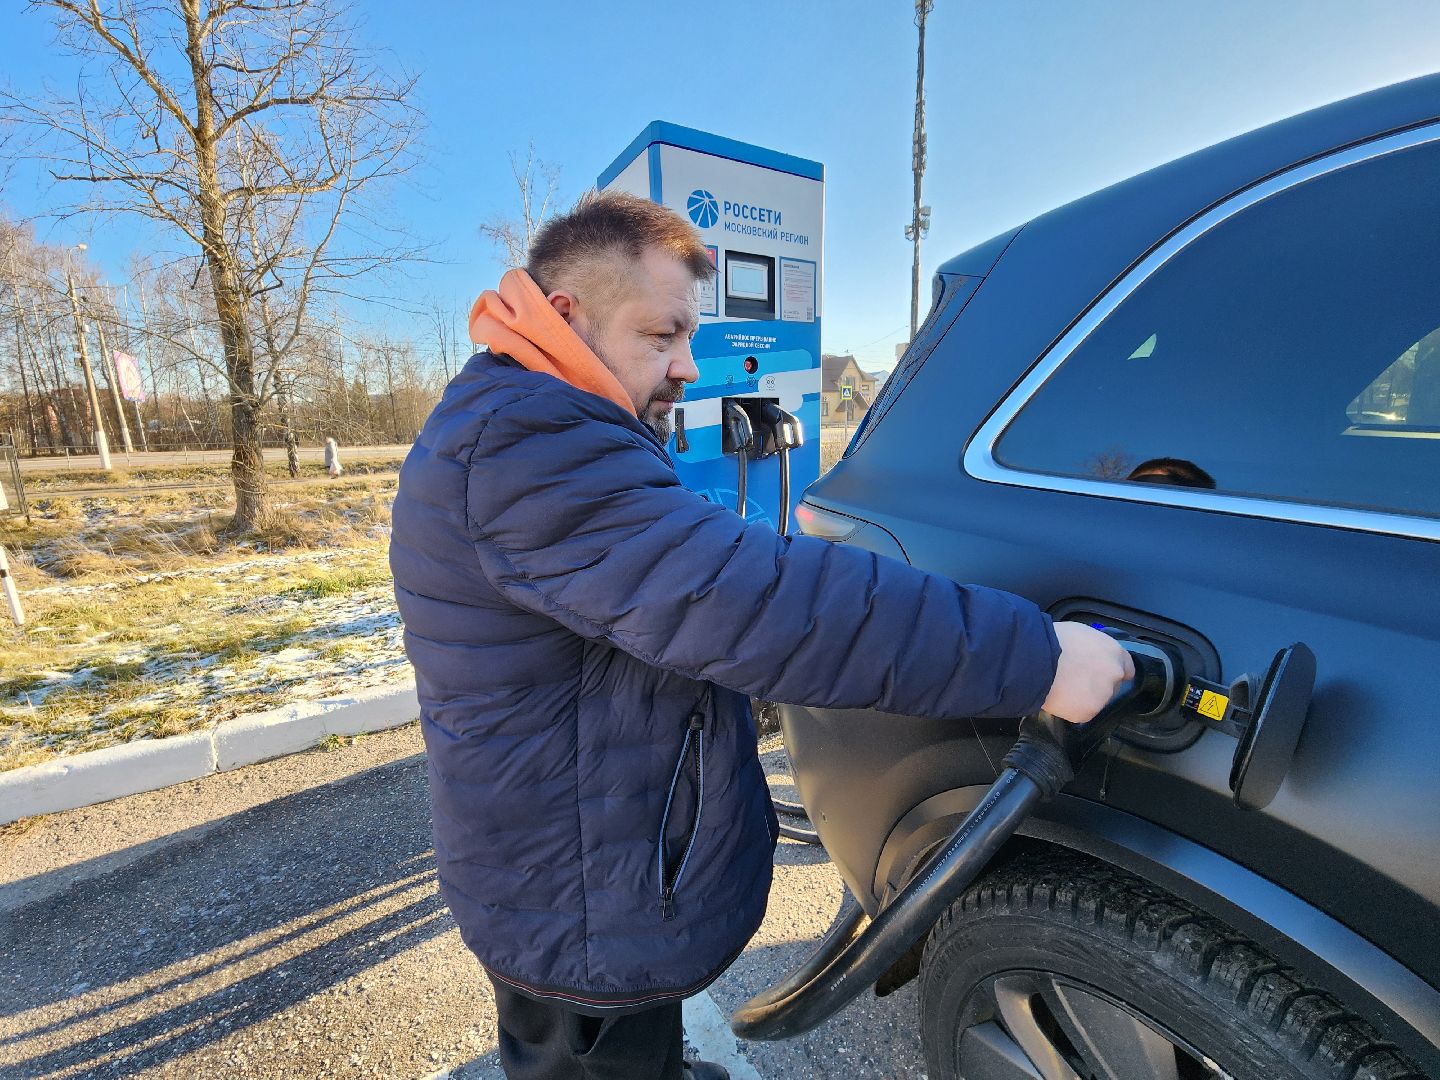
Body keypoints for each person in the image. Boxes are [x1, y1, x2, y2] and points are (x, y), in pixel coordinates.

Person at [389, 191, 1132, 1080]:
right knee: (588, 1052)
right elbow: (752, 602)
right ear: (564, 315)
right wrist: (1039, 658)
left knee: (607, 1045)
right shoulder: (526, 441)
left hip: (571, 857)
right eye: (661, 336)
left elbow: (680, 569)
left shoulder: (538, 416)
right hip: (579, 886)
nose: (687, 368)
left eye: (689, 338)